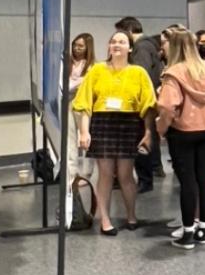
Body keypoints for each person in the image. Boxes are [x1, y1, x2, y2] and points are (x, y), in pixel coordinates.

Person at [72, 30, 156, 236]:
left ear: (130, 48)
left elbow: (148, 106)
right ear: (109, 47)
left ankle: (131, 215)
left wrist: (148, 133)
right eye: (113, 42)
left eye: (122, 42)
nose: (117, 45)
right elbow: (84, 104)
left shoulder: (138, 73)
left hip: (128, 124)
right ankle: (105, 220)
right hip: (102, 124)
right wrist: (84, 131)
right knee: (105, 175)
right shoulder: (97, 70)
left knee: (126, 175)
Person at [156, 27, 205, 250]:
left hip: (182, 132)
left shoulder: (174, 73)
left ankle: (188, 234)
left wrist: (161, 128)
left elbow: (166, 105)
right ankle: (203, 229)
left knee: (188, 182)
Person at [114, 16, 165, 192]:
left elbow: (140, 75)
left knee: (142, 139)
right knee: (149, 137)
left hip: (141, 102)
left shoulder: (141, 48)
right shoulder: (150, 45)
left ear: (128, 31)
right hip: (148, 99)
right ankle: (154, 170)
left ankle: (145, 179)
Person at [67, 33, 96, 180]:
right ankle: (71, 173)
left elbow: (82, 85)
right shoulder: (67, 62)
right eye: (74, 45)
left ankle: (87, 173)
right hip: (68, 103)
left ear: (88, 48)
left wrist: (72, 85)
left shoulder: (92, 66)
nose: (76, 48)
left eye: (80, 46)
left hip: (84, 105)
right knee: (70, 138)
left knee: (86, 139)